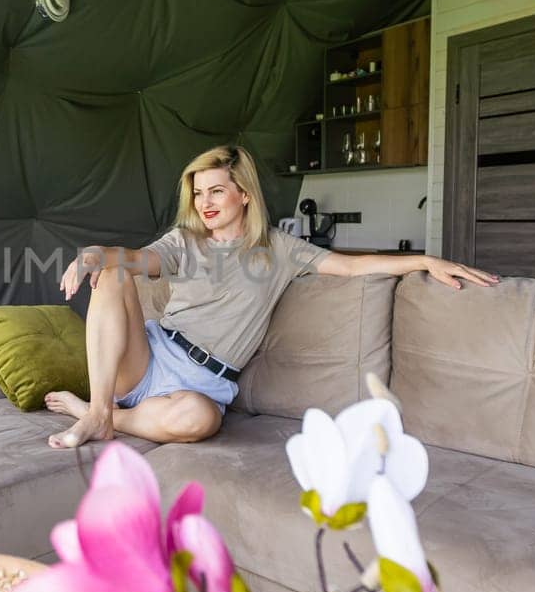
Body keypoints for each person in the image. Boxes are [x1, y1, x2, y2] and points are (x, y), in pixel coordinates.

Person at [42, 144, 498, 450]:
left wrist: (425, 260)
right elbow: (133, 258)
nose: (205, 202)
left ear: (243, 193)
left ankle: (105, 418)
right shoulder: (185, 241)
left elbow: (353, 266)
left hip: (201, 386)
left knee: (201, 422)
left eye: (216, 190)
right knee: (113, 271)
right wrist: (92, 255)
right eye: (199, 193)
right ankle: (101, 407)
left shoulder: (280, 250)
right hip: (149, 361)